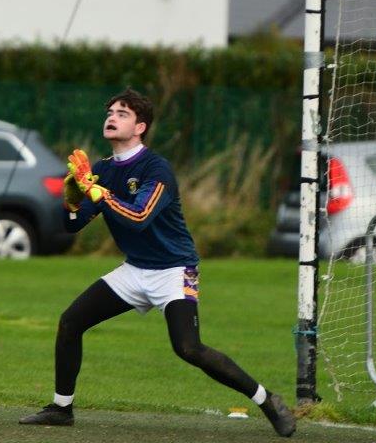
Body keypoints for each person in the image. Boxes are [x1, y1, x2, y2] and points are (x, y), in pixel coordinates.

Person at [19, 88, 297, 437]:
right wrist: (73, 200)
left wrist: (98, 193)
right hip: (135, 269)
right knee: (70, 323)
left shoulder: (156, 167)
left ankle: (266, 399)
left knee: (188, 348)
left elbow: (139, 216)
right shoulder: (102, 170)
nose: (112, 117)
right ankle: (61, 409)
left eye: (122, 113)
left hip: (174, 270)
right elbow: (71, 226)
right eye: (110, 111)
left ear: (140, 127)